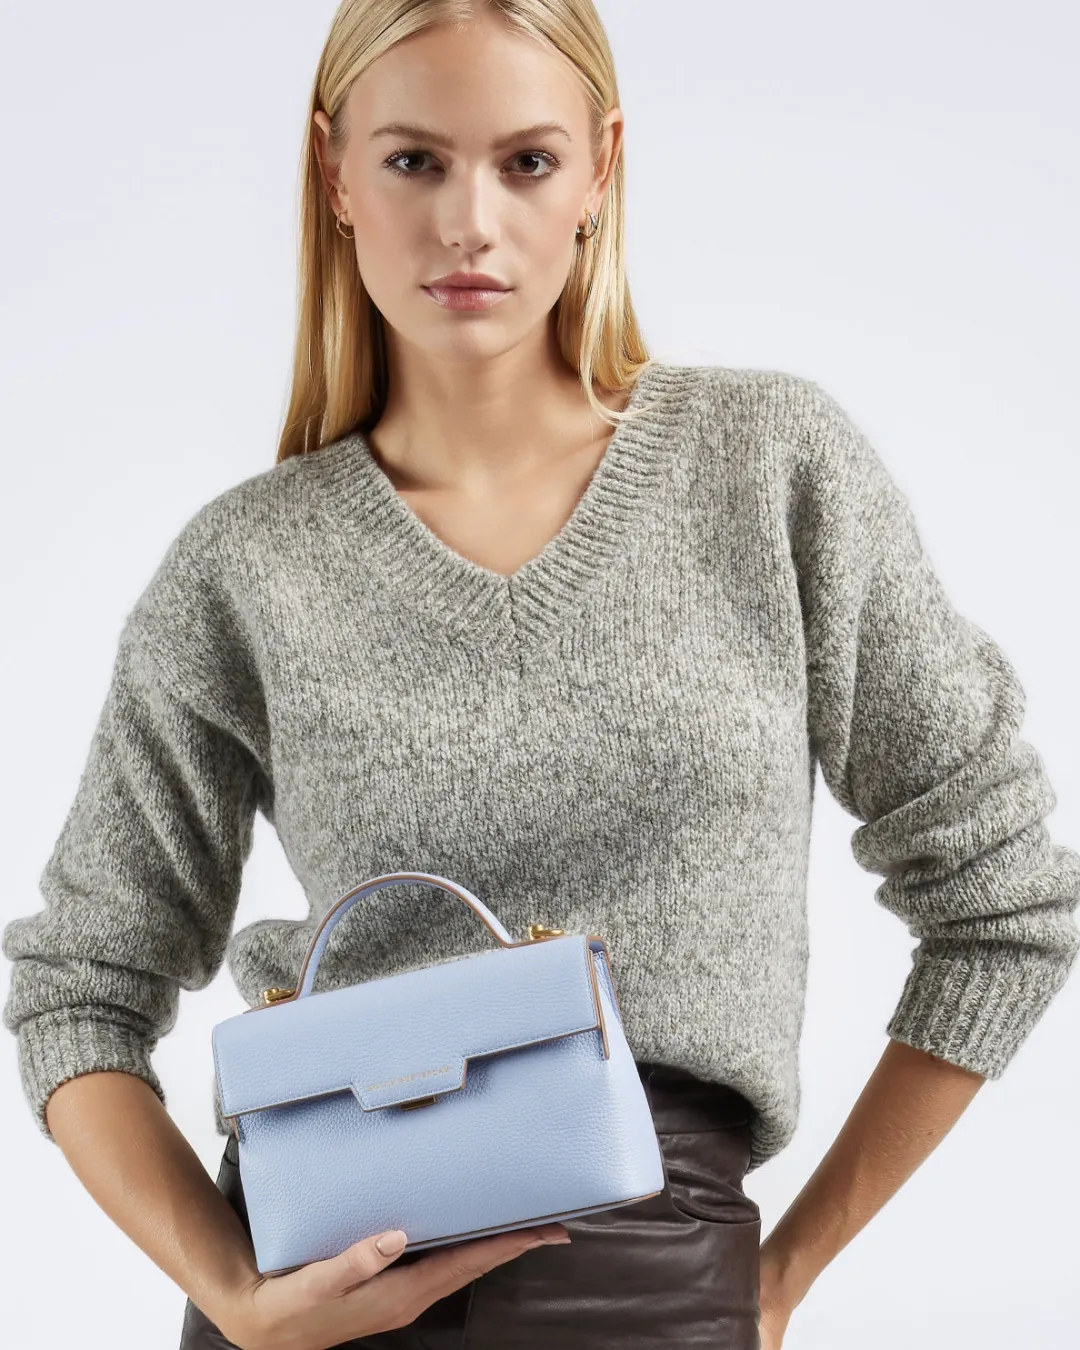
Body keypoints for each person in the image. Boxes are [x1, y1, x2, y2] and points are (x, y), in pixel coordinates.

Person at [3, 2, 1078, 1348]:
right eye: (413, 161)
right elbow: (76, 991)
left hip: (657, 1283)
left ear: (600, 169)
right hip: (318, 1290)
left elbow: (1006, 903)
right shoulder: (244, 567)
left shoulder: (770, 470)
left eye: (526, 161)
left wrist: (780, 1277)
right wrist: (234, 1295)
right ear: (334, 172)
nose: (470, 223)